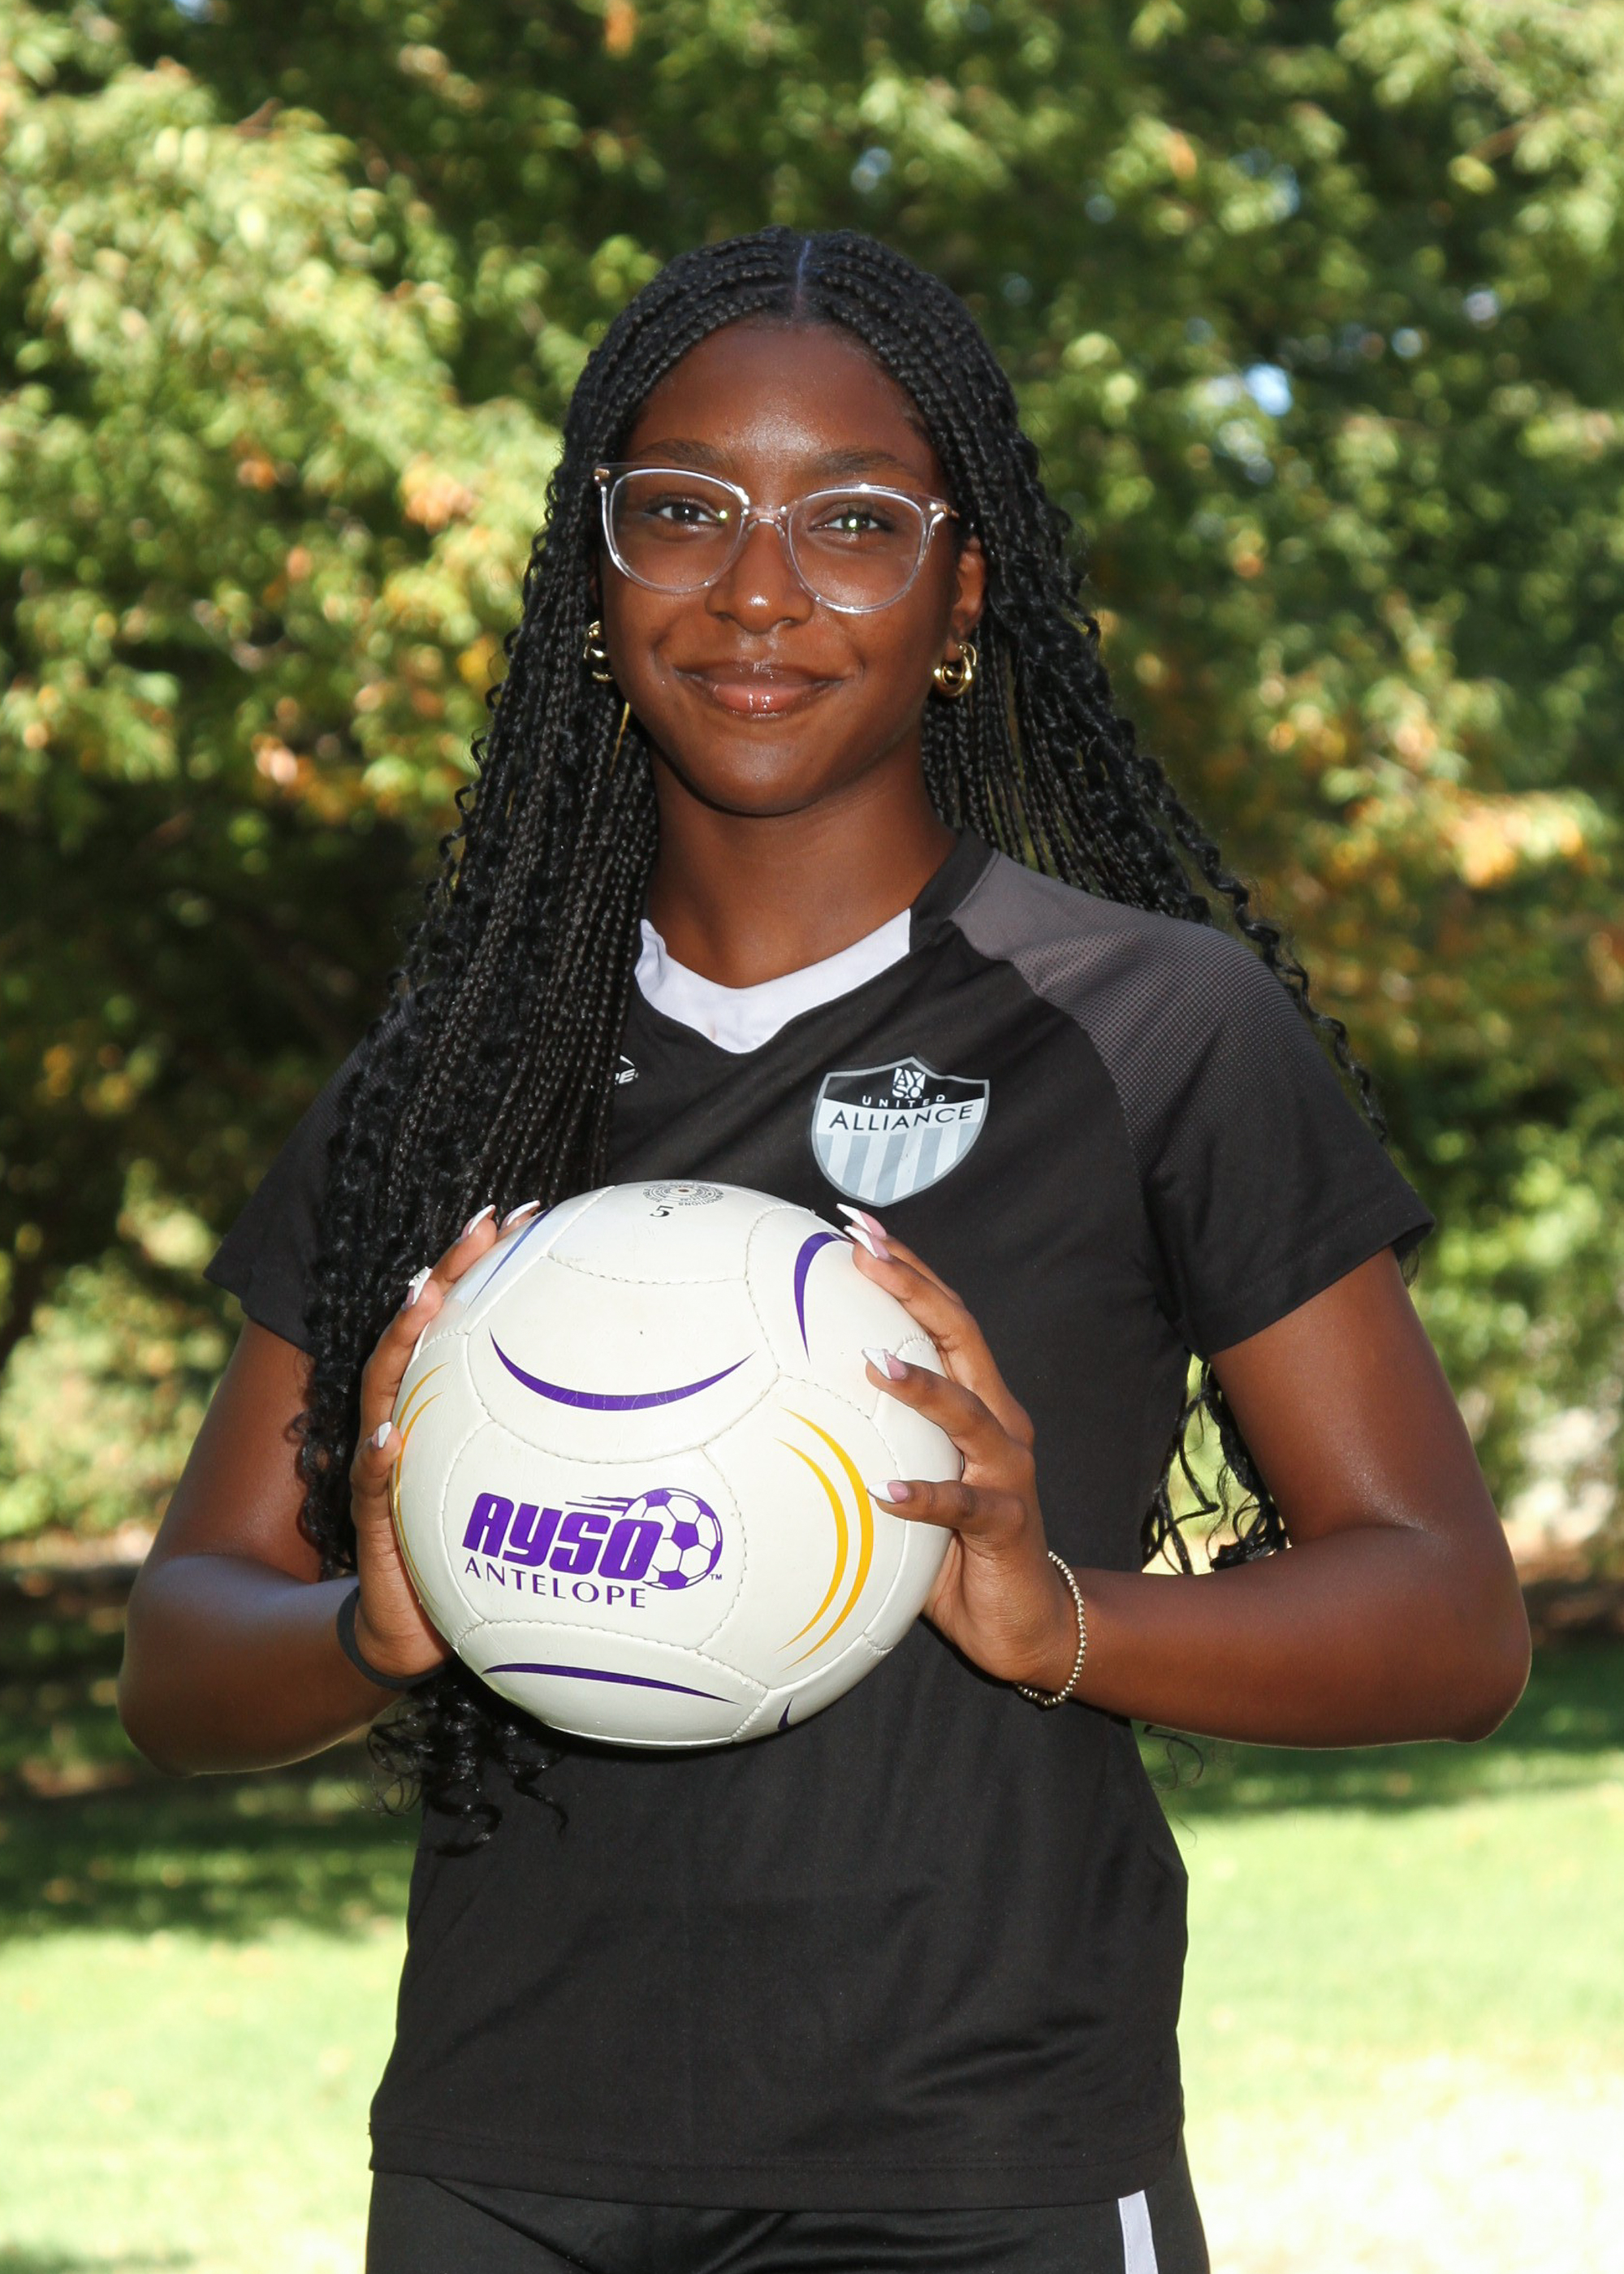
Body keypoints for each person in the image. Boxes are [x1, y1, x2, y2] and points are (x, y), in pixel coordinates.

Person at [119, 228, 1531, 2274]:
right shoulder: (452, 1082)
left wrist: (1058, 1614)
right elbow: (177, 1653)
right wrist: (376, 1621)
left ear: (962, 595)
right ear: (596, 574)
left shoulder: (1152, 1031)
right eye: (683, 510)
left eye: (854, 521)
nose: (758, 589)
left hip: (981, 2166)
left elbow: (1453, 1619)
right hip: (506, 2163)